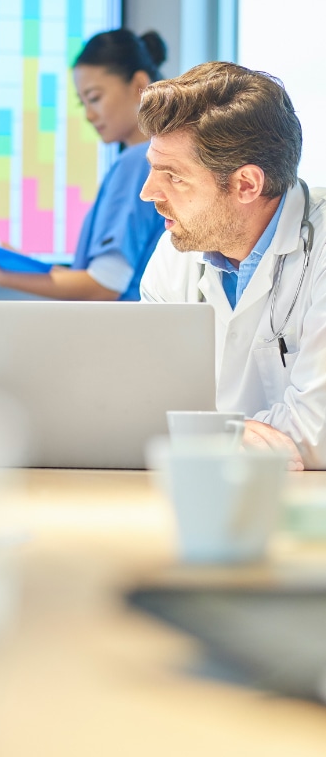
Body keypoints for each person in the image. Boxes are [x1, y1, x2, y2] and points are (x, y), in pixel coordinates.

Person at [138, 60, 326, 470]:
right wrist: (226, 438)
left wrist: (204, 436)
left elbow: (318, 434)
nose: (148, 192)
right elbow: (149, 413)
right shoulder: (176, 249)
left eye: (173, 176)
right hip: (204, 494)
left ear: (246, 184)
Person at [0, 29, 167, 300]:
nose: (88, 114)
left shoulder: (138, 162)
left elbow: (103, 285)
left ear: (139, 85)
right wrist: (15, 262)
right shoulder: (160, 161)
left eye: (95, 98)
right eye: (82, 102)